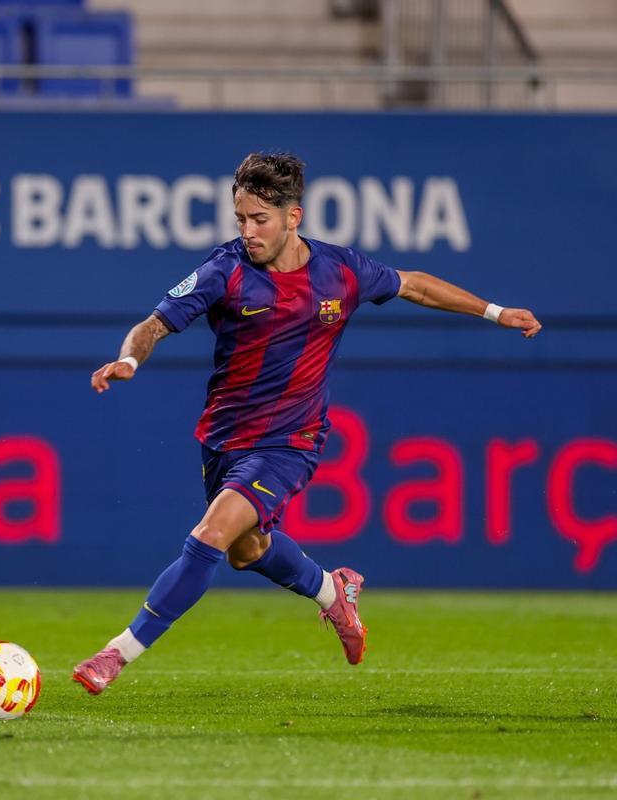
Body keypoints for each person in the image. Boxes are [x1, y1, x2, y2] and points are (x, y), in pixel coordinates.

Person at [73, 152, 542, 695]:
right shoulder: (222, 271)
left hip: (290, 443)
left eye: (259, 220)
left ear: (293, 218)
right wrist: (130, 359)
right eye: (241, 220)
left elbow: (412, 284)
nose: (248, 232)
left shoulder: (340, 270)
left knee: (212, 533)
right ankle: (331, 591)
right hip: (224, 440)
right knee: (246, 550)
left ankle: (116, 654)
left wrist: (495, 312)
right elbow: (153, 324)